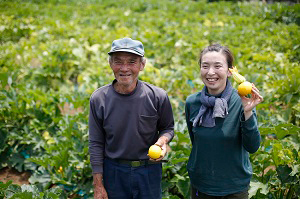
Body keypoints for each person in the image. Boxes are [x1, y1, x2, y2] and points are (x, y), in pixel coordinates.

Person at [88, 37, 174, 199]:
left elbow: (167, 128)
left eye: (132, 62)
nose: (124, 68)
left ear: (142, 65)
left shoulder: (157, 96)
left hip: (149, 171)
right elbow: (96, 143)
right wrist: (98, 185)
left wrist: (161, 142)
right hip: (114, 172)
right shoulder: (99, 99)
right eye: (118, 61)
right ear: (110, 64)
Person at [185, 44, 263, 199]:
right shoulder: (192, 103)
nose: (210, 72)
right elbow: (197, 143)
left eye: (218, 66)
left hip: (234, 187)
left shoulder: (242, 101)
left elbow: (252, 146)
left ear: (229, 71)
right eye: (205, 66)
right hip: (201, 184)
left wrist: (247, 112)